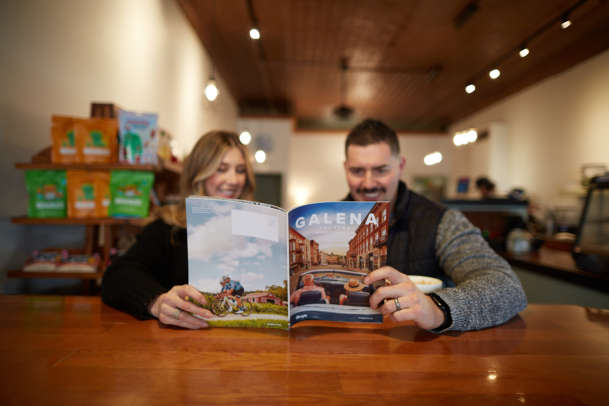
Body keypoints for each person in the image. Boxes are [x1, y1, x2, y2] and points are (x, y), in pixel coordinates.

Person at [342, 119, 527, 332]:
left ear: (400, 166)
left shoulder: (441, 221)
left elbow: (507, 288)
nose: (368, 184)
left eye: (381, 170)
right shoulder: (325, 220)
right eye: (357, 171)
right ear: (345, 168)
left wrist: (438, 308)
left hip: (423, 348)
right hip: (347, 346)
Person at [102, 130, 256, 329]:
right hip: (182, 344)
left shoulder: (253, 230)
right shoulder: (169, 227)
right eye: (221, 168)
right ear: (199, 173)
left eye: (241, 170)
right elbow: (117, 276)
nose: (234, 180)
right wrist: (156, 301)